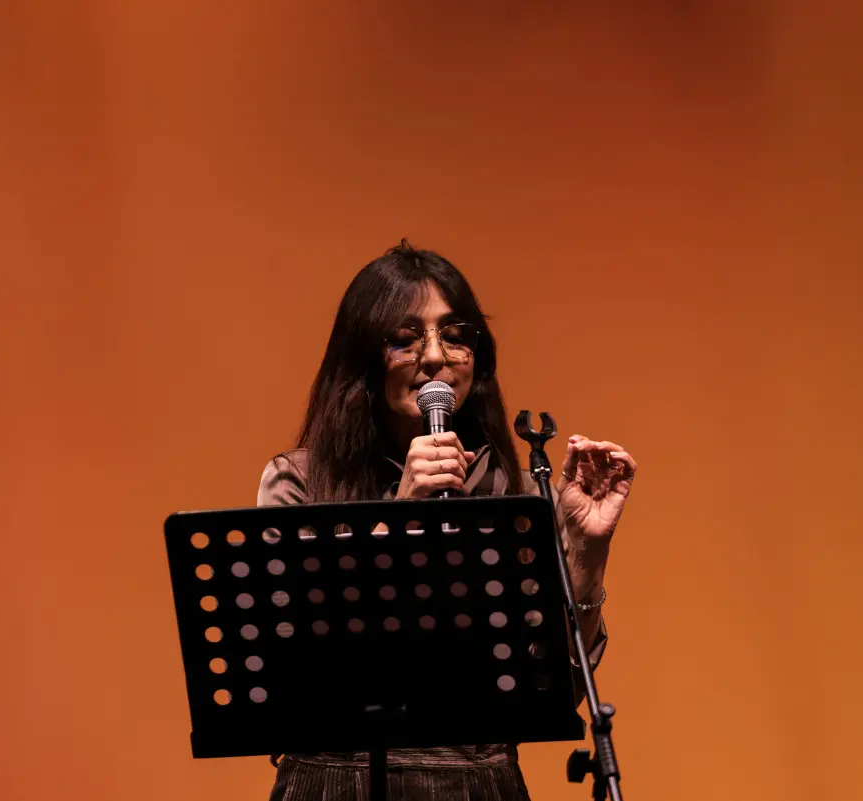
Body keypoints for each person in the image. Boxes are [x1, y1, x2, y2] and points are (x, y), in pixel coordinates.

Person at [257, 240, 637, 801]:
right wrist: (397, 519)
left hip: (478, 780)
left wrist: (585, 550)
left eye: (455, 336)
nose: (435, 357)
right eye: (406, 339)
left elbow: (556, 691)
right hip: (337, 779)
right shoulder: (297, 483)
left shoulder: (508, 487)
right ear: (363, 358)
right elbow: (286, 667)